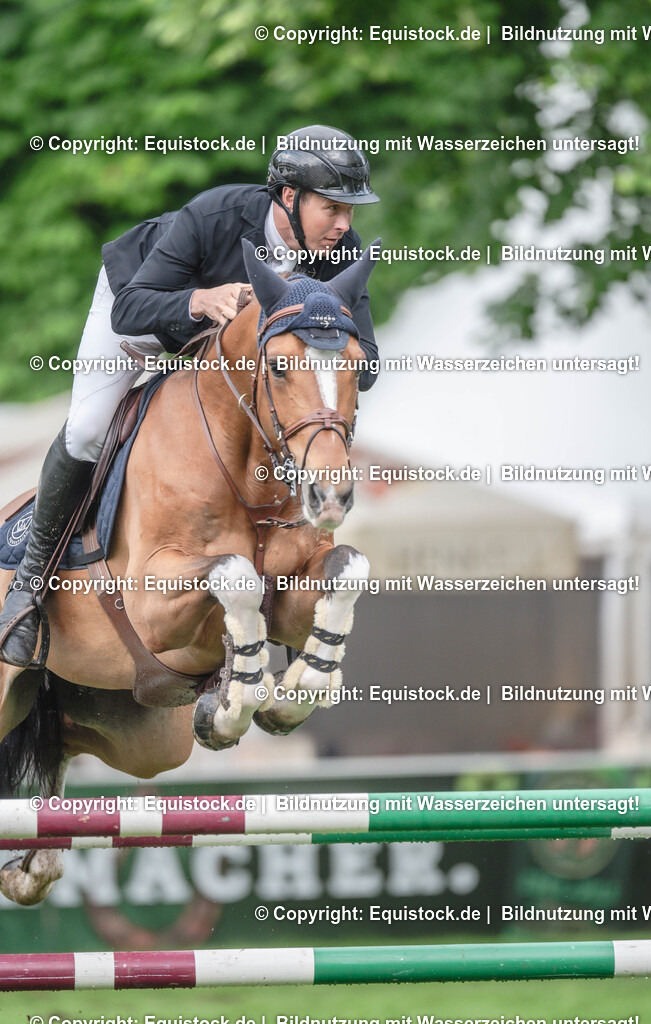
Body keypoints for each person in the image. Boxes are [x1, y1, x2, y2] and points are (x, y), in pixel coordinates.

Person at [0, 124, 380, 668]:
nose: (344, 226)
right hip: (145, 312)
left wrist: (326, 332)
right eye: (333, 209)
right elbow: (129, 311)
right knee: (87, 428)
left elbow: (364, 363)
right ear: (291, 198)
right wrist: (199, 300)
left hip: (232, 364)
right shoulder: (216, 215)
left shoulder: (342, 253)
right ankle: (28, 589)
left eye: (351, 212)